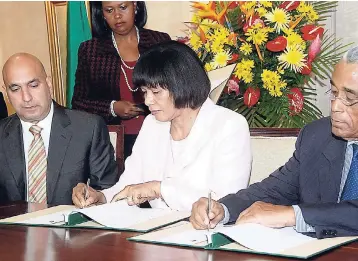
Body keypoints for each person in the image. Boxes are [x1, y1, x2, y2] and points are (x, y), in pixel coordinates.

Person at [190, 43, 358, 238]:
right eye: (334, 93)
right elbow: (274, 190)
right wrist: (223, 208)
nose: (335, 106)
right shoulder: (316, 137)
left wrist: (295, 215)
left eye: (350, 99)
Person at [72, 41, 252, 211]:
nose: (148, 101)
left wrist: (159, 189)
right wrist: (100, 197)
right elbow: (128, 186)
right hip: (155, 234)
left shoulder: (229, 125)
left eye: (156, 92)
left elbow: (226, 202)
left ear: (183, 85)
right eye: (144, 92)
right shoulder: (152, 124)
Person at [0, 53, 118, 205]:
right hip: (12, 228)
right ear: (6, 92)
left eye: (34, 85)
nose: (26, 97)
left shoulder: (89, 128)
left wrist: (95, 196)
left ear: (48, 83)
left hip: (71, 227)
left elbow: (109, 192)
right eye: (15, 89)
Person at [72, 1, 171, 159]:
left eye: (123, 7)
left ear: (135, 6)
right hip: (113, 144)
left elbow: (174, 89)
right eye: (109, 10)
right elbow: (78, 103)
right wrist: (112, 107)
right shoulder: (91, 50)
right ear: (102, 14)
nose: (117, 16)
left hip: (160, 137)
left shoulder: (159, 41)